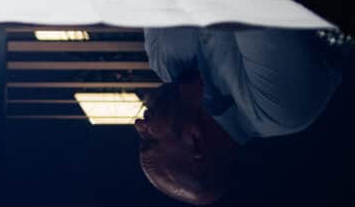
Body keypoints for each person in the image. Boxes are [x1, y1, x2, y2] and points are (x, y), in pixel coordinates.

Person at [135, 26, 343, 204]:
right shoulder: (281, 107)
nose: (139, 125)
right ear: (195, 139)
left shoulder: (163, 63)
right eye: (149, 140)